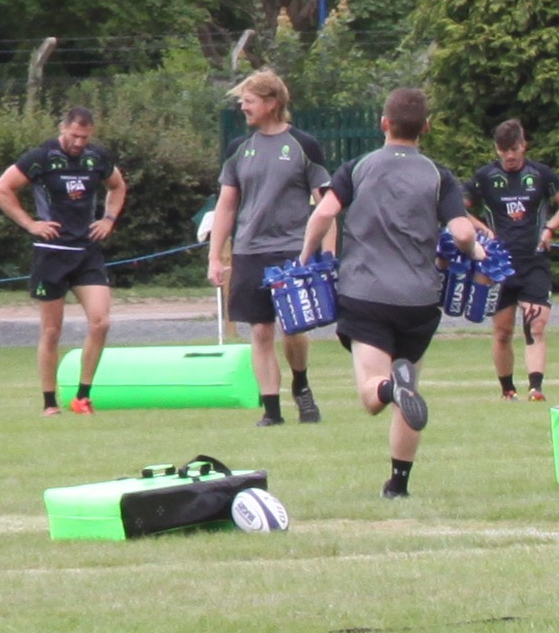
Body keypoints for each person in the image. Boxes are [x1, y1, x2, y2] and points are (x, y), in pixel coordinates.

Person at [305, 84, 493, 501]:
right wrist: (477, 251)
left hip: (366, 294)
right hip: (420, 302)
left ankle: (394, 388)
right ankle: (398, 485)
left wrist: (307, 256)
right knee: (410, 386)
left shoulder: (357, 167)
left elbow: (325, 213)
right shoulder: (438, 174)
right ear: (426, 127)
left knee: (374, 394)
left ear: (383, 123)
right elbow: (462, 231)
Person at [210, 71, 331, 427]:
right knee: (260, 330)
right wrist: (215, 256)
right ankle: (271, 410)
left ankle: (301, 384)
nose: (242, 106)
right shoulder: (238, 149)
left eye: (249, 100)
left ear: (271, 103)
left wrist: (326, 253)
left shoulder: (303, 145)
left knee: (293, 329)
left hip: (292, 251)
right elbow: (227, 205)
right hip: (249, 251)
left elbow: (326, 205)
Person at [0, 107, 125, 412]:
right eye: (74, 135)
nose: (79, 142)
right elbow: (1, 189)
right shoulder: (41, 157)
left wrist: (109, 219)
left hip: (87, 253)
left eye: (85, 137)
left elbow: (117, 186)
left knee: (101, 323)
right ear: (62, 128)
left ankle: (82, 397)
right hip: (52, 254)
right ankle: (50, 403)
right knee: (52, 331)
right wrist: (30, 224)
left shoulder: (96, 157)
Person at [471, 119, 559, 401]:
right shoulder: (485, 177)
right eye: (504, 150)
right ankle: (508, 390)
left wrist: (550, 228)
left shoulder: (540, 174)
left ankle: (536, 388)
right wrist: (483, 231)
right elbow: (456, 207)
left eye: (515, 149)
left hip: (534, 262)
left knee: (536, 325)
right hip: (499, 265)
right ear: (497, 149)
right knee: (503, 331)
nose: (509, 156)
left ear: (524, 146)